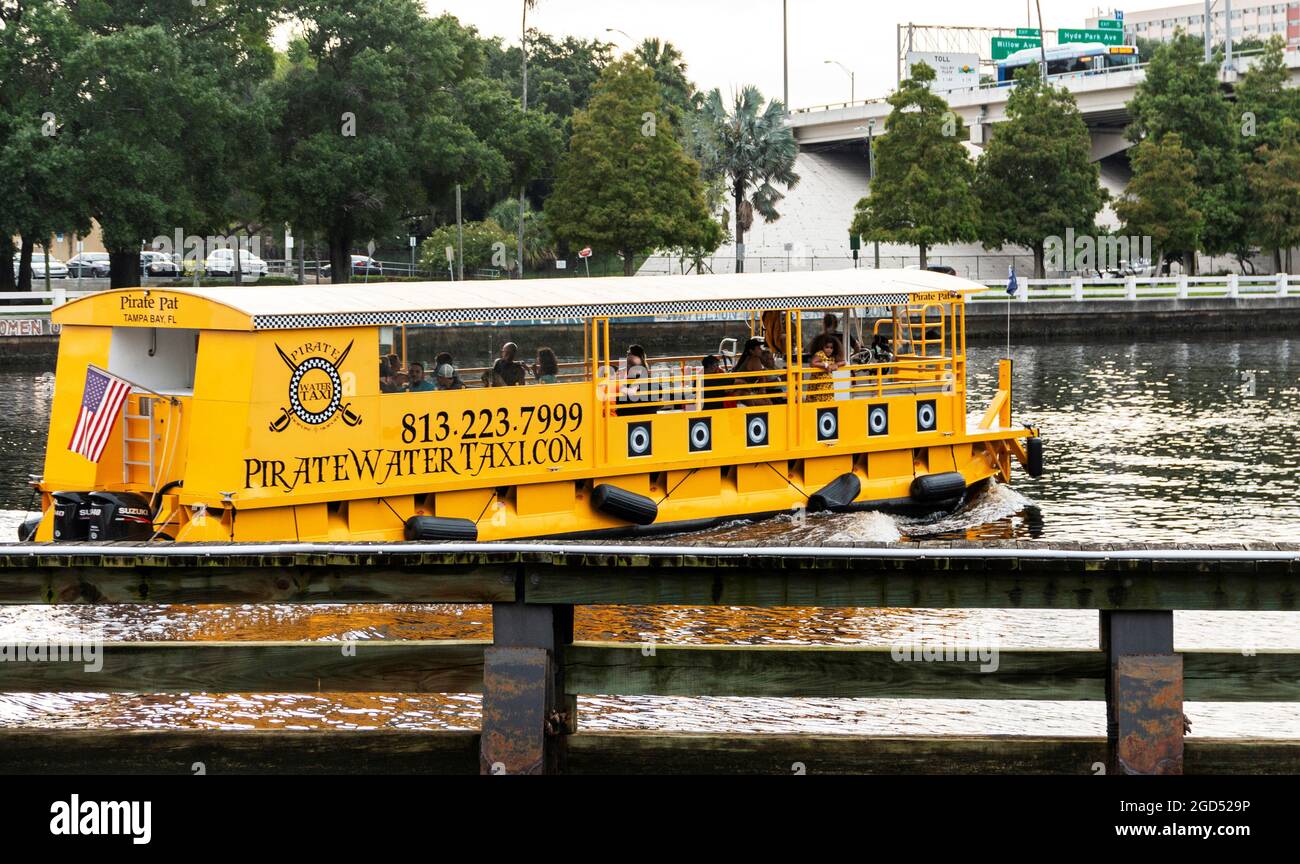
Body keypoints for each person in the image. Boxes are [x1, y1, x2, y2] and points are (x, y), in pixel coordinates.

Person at [618, 344, 655, 415]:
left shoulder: (633, 375)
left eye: (628, 353)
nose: (627, 355)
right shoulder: (645, 371)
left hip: (631, 411)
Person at [805, 333, 842, 403]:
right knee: (816, 402)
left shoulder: (832, 356)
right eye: (827, 347)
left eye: (831, 348)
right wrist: (825, 365)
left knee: (828, 403)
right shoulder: (820, 354)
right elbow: (813, 363)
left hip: (827, 386)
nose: (829, 350)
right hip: (818, 385)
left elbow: (843, 362)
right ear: (822, 347)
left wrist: (836, 365)